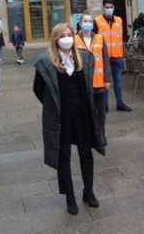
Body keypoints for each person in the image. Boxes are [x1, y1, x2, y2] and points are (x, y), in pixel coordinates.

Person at [33, 23, 107, 215]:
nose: (67, 38)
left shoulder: (84, 58)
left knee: (86, 153)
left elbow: (88, 87)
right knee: (63, 156)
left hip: (82, 115)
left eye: (69, 34)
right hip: (61, 117)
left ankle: (88, 192)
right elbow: (39, 90)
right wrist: (55, 105)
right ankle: (70, 197)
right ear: (55, 39)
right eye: (62, 35)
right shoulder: (46, 62)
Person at [76, 14, 112, 132]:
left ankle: (101, 134)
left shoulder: (100, 38)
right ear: (80, 23)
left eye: (90, 21)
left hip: (99, 82)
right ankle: (90, 135)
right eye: (85, 21)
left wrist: (107, 79)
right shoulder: (74, 40)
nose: (88, 23)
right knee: (86, 112)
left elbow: (106, 60)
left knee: (101, 112)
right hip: (83, 83)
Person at [95, 0, 132, 112]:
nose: (109, 9)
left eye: (111, 7)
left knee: (118, 82)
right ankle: (104, 105)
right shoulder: (97, 21)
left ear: (114, 7)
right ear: (103, 7)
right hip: (103, 57)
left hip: (117, 56)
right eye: (107, 7)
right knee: (105, 83)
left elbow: (122, 36)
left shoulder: (119, 20)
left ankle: (120, 103)